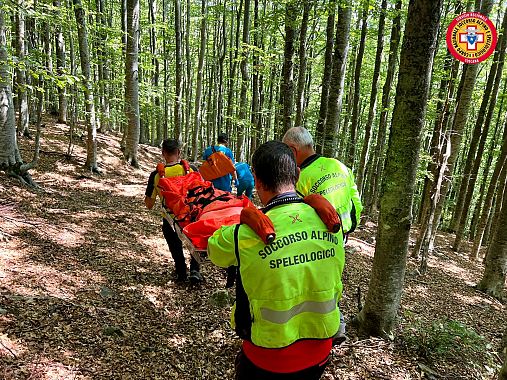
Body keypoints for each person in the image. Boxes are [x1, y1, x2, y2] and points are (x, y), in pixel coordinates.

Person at [208, 141, 345, 379]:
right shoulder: (331, 223)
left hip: (268, 358)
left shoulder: (246, 234)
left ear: (257, 181)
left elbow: (215, 251)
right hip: (321, 351)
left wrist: (243, 219)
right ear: (298, 174)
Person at [282, 126, 363, 342]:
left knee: (310, 282)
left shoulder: (299, 176)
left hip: (314, 239)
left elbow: (294, 214)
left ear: (293, 149)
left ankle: (316, 328)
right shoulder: (340, 166)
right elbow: (356, 202)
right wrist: (347, 228)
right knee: (332, 280)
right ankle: (335, 325)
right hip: (340, 236)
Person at [145, 138, 203, 284]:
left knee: (175, 245)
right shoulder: (191, 170)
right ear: (179, 152)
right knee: (195, 242)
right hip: (191, 215)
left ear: (163, 153)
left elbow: (149, 204)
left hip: (170, 218)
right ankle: (195, 270)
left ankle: (181, 272)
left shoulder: (157, 175)